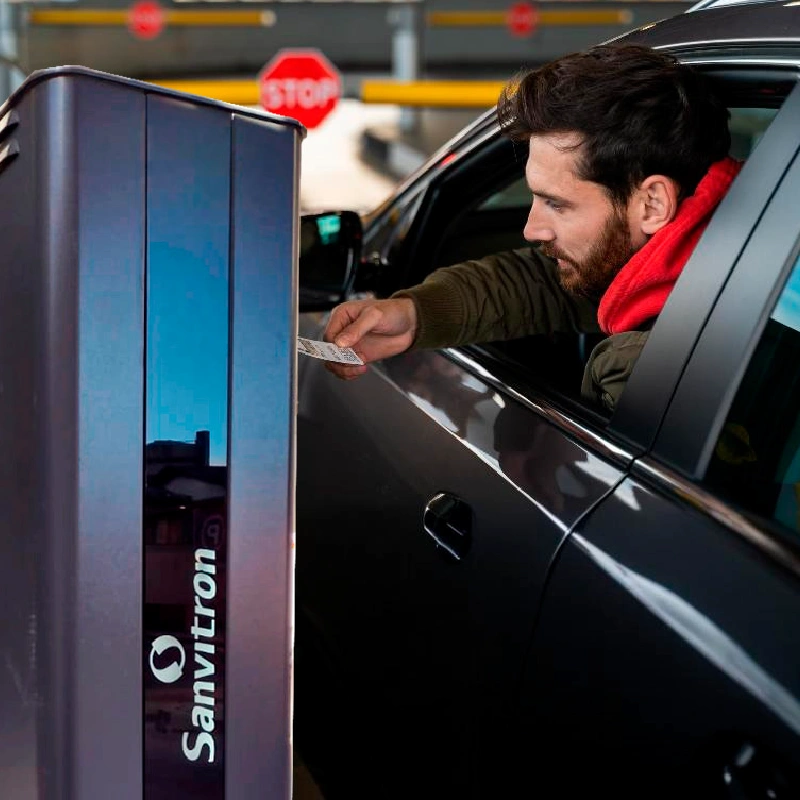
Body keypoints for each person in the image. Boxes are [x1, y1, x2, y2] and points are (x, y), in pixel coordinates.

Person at [323, 44, 738, 412]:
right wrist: (416, 315)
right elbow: (544, 285)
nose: (531, 228)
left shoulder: (644, 369)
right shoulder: (733, 255)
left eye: (557, 203)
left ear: (652, 204)